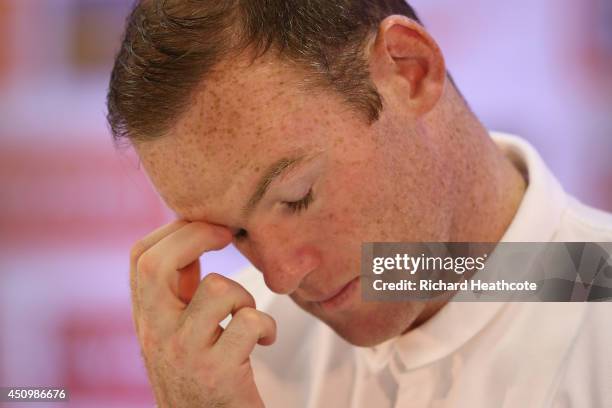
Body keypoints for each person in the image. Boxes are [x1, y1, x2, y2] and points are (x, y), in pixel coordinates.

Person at [106, 1, 612, 407]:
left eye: (297, 196)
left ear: (409, 70)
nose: (282, 276)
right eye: (236, 234)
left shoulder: (598, 307)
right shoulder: (229, 364)